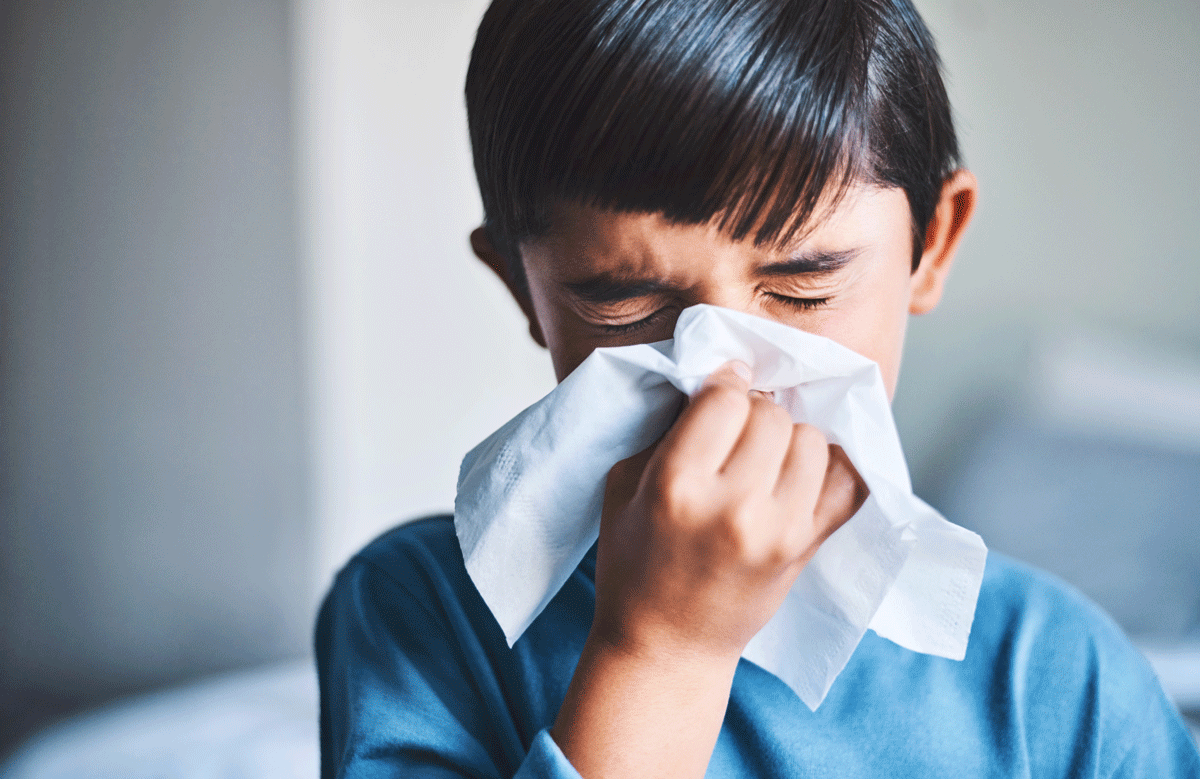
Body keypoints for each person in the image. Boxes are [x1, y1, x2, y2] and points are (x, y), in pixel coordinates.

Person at [315, 0, 1200, 776]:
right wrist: (661, 652)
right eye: (624, 301)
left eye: (804, 289)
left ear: (931, 246)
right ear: (523, 289)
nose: (722, 377)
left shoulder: (1058, 678)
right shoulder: (421, 613)